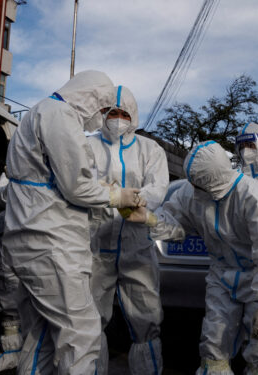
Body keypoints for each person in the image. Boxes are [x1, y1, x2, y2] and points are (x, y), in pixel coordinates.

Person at [0, 70, 145, 375]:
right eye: (105, 109)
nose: (104, 117)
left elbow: (56, 178)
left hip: (33, 240)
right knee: (81, 336)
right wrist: (118, 196)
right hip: (52, 245)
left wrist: (107, 191)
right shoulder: (60, 117)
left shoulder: (41, 112)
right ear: (92, 98)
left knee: (42, 337)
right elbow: (76, 186)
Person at [126, 141, 258, 375]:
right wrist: (150, 219)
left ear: (216, 178)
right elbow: (176, 221)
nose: (198, 190)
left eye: (202, 185)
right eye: (195, 185)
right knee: (213, 348)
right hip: (223, 275)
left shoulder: (251, 196)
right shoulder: (191, 192)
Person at [87, 85, 169, 374]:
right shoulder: (88, 145)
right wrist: (108, 194)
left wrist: (139, 200)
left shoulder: (150, 149)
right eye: (111, 112)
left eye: (123, 113)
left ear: (133, 116)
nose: (117, 118)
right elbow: (80, 182)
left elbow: (158, 186)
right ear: (102, 114)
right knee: (90, 318)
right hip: (95, 246)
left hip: (137, 245)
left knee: (146, 315)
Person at [0, 173, 25, 373]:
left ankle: (38, 356)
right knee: (8, 299)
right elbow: (0, 194)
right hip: (12, 242)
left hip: (45, 245)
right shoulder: (15, 163)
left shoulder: (59, 159)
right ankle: (12, 353)